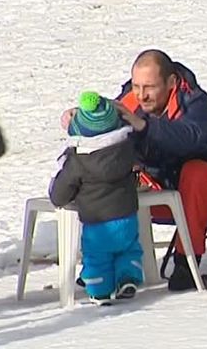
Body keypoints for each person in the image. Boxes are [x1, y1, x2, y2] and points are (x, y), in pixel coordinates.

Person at [61, 49, 207, 292]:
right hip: (161, 192)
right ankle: (102, 264)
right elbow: (105, 131)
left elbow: (190, 139)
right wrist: (79, 119)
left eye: (150, 87)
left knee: (196, 172)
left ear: (171, 82)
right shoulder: (131, 100)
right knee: (104, 176)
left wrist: (142, 125)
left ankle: (186, 266)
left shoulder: (194, 101)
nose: (142, 95)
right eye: (136, 86)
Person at [50, 91, 142, 305]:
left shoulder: (78, 161)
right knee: (129, 250)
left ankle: (100, 291)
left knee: (96, 258)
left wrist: (56, 191)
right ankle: (128, 277)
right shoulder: (127, 149)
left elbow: (60, 195)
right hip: (128, 218)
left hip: (97, 224)